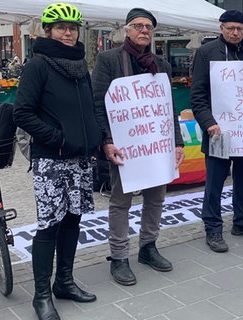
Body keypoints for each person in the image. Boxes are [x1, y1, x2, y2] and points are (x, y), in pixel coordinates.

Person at [13, 3, 100, 319]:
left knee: (73, 220)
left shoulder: (80, 65)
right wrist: (59, 138)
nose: (68, 32)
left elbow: (88, 109)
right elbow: (22, 113)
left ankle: (64, 280)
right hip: (51, 160)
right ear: (48, 31)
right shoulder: (38, 65)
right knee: (49, 225)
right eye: (62, 27)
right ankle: (41, 295)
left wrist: (96, 139)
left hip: (80, 160)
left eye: (73, 28)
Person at [92, 8, 185, 286]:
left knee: (156, 197)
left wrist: (177, 142)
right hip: (123, 146)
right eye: (138, 26)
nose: (144, 30)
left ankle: (148, 247)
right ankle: (119, 257)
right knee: (121, 201)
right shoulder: (108, 60)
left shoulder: (161, 64)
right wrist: (106, 141)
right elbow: (98, 104)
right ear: (127, 31)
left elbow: (169, 108)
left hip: (156, 145)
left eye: (149, 27)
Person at [190, 10, 243, 252]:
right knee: (215, 181)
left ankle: (242, 221)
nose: (235, 33)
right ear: (221, 28)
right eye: (230, 28)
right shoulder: (207, 53)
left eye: (239, 29)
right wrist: (208, 124)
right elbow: (197, 95)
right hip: (219, 131)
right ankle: (213, 228)